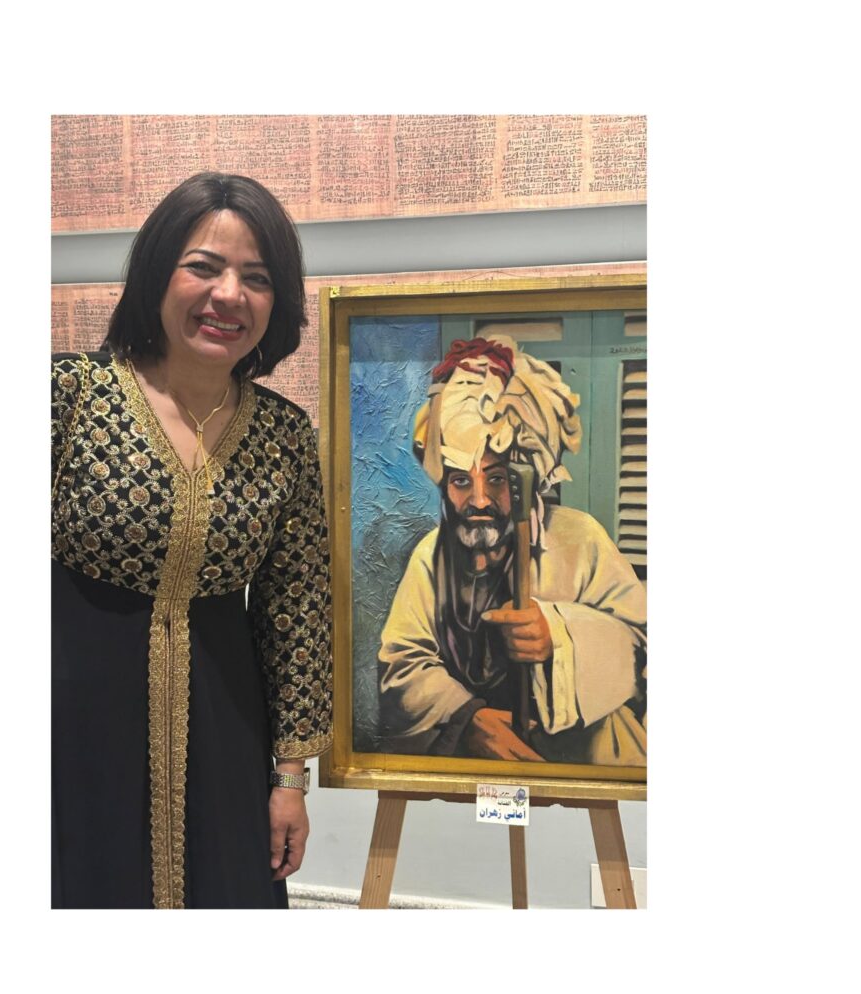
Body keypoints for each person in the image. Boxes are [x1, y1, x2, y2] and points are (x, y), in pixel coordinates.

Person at [52, 172, 333, 908]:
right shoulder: (69, 396)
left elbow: (297, 611)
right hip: (71, 727)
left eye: (257, 278)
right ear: (156, 277)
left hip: (225, 734)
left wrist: (290, 780)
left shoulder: (283, 435)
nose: (228, 295)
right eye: (203, 267)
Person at [377, 336, 646, 766]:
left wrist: (559, 635)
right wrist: (467, 717)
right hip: (475, 761)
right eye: (461, 480)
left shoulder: (581, 539)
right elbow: (401, 663)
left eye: (497, 478)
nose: (479, 500)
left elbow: (643, 647)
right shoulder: (431, 556)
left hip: (585, 756)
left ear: (527, 478)